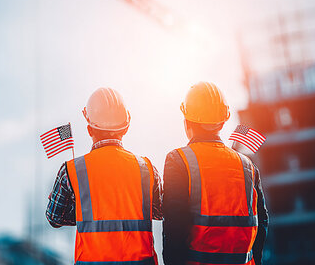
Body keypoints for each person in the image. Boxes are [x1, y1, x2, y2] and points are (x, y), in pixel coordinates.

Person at [46, 87, 163, 265]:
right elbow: (159, 211)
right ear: (126, 128)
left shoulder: (71, 171)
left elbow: (54, 217)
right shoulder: (146, 169)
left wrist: (83, 212)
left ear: (89, 130)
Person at [163, 82, 268, 265]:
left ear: (187, 121)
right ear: (223, 121)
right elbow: (262, 224)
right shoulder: (247, 166)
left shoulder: (179, 161)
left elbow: (174, 231)